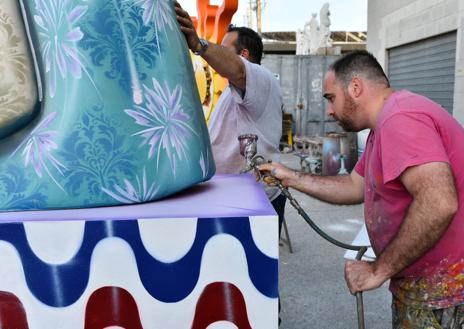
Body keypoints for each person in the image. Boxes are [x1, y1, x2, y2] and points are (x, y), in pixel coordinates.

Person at [259, 50, 464, 328]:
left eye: (331, 98)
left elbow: (439, 202)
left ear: (355, 87)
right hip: (425, 284)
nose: (329, 110)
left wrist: (378, 270)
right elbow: (355, 186)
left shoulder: (400, 118)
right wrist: (291, 177)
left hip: (443, 290)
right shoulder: (383, 125)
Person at [175, 2, 287, 234]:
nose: (215, 52)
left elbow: (236, 68)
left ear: (244, 55)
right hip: (234, 195)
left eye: (224, 48)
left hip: (253, 199)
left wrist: (199, 45)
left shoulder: (261, 78)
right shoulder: (233, 90)